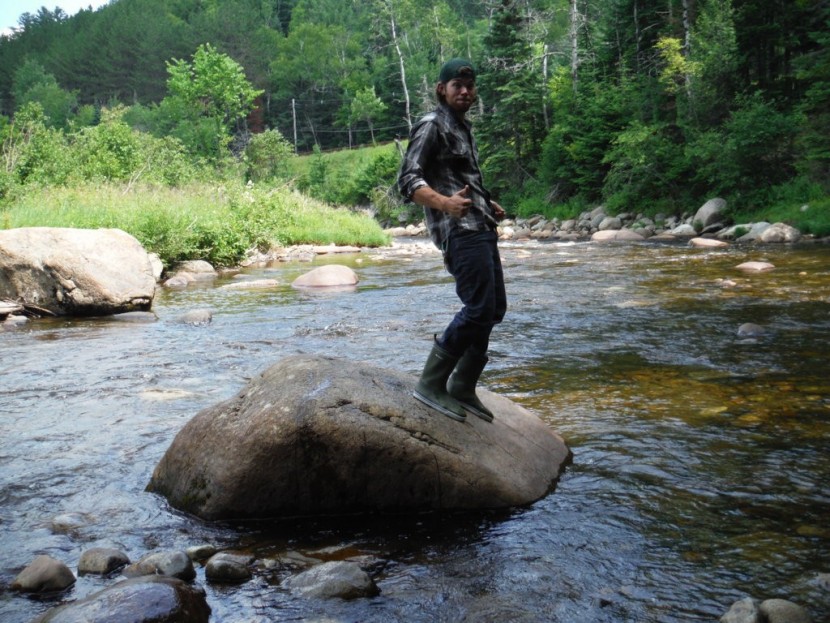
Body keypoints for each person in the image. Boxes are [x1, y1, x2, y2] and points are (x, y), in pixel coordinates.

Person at [398, 58, 506, 423]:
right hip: (459, 233)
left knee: (493, 309)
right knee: (478, 310)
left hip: (481, 226)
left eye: (470, 86)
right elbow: (408, 181)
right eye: (457, 85)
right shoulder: (432, 125)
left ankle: (462, 385)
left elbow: (458, 179)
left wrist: (485, 202)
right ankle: (430, 383)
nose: (465, 91)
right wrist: (445, 204)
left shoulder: (462, 127)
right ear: (441, 89)